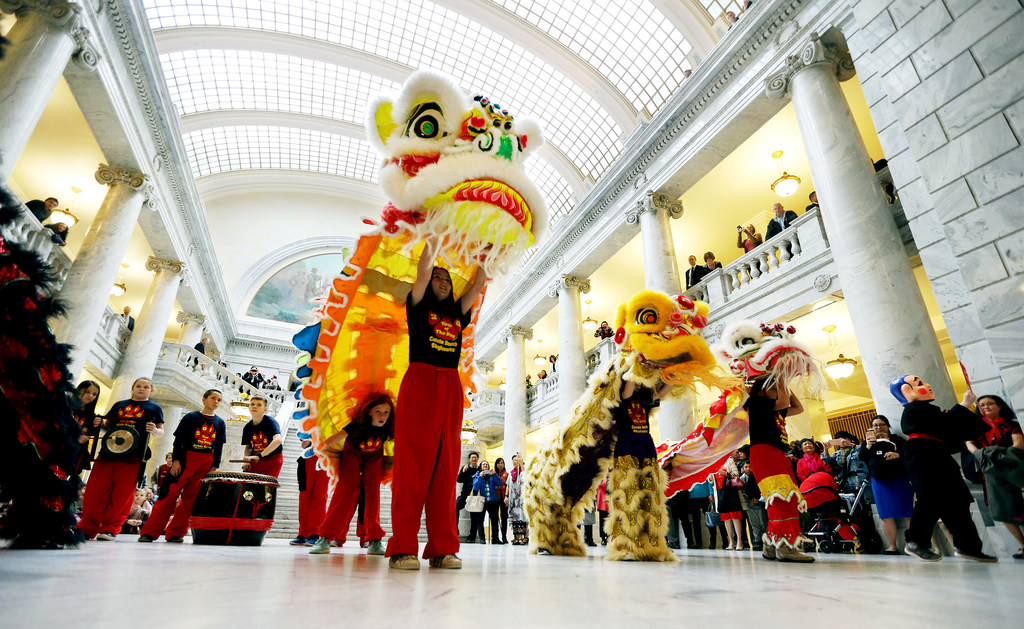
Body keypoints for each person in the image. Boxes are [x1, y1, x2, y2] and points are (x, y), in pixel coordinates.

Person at [386, 237, 488, 571]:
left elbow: (478, 284)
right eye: (437, 279)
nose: (443, 283)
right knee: (412, 466)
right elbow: (423, 269)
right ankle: (403, 547)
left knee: (446, 470)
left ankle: (443, 548)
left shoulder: (458, 311)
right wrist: (433, 236)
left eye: (447, 280)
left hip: (450, 385)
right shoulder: (417, 304)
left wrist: (489, 255)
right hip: (420, 381)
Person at [889, 375, 995, 562]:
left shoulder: (927, 411)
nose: (928, 384)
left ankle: (968, 547)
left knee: (958, 502)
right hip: (922, 457)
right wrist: (963, 405)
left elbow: (948, 433)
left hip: (938, 455)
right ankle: (915, 542)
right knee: (930, 498)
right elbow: (945, 424)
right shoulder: (913, 410)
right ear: (907, 391)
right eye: (919, 383)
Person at [77, 377, 164, 541]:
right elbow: (108, 426)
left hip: (133, 455)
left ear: (151, 390)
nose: (141, 389)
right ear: (133, 388)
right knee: (95, 491)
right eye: (138, 385)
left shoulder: (155, 408)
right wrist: (99, 423)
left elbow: (160, 432)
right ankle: (87, 527)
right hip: (108, 452)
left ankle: (111, 529)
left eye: (145, 387)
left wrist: (154, 430)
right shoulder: (119, 405)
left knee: (122, 495)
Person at [311, 392, 395, 555]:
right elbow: (336, 438)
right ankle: (325, 538)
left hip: (373, 459)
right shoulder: (357, 425)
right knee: (345, 491)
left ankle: (375, 540)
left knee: (373, 493)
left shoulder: (388, 426)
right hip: (352, 457)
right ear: (369, 411)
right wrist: (320, 448)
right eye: (378, 411)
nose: (382, 416)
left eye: (386, 412)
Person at [138, 389, 226, 543]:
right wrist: (177, 460)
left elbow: (218, 447)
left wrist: (215, 466)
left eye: (219, 400)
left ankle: (176, 533)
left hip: (205, 463)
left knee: (190, 500)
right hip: (185, 461)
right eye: (213, 398)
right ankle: (149, 533)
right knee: (167, 497)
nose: (216, 402)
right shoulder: (190, 417)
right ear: (204, 399)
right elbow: (179, 440)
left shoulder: (220, 423)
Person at [966, 394, 1024, 559]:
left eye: (989, 404)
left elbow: (1019, 444)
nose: (985, 408)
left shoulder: (1011, 424)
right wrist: (981, 453)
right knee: (1001, 509)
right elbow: (969, 443)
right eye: (982, 405)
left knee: (1018, 506)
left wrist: (996, 453)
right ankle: (1022, 545)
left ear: (999, 406)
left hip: (1011, 469)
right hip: (990, 473)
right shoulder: (976, 427)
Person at [864, 415, 914, 555]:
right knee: (885, 514)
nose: (878, 427)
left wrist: (898, 455)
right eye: (875, 425)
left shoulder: (897, 440)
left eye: (882, 424)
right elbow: (862, 456)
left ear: (887, 426)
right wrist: (868, 446)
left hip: (900, 479)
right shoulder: (868, 442)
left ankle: (913, 544)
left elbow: (909, 453)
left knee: (908, 511)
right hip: (880, 482)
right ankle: (892, 546)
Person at [293, 438, 329, 546]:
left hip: (325, 461)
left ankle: (315, 534)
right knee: (304, 498)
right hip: (306, 461)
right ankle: (302, 534)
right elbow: (304, 445)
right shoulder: (308, 422)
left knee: (320, 498)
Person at [240, 396, 283, 478]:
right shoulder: (247, 427)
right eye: (252, 404)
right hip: (255, 460)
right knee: (250, 487)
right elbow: (248, 446)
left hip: (272, 459)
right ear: (249, 407)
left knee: (266, 487)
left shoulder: (271, 422)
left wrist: (260, 456)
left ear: (265, 409)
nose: (255, 406)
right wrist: (247, 461)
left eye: (259, 405)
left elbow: (278, 440)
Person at [72, 380, 101, 475]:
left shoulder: (93, 417)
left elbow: (90, 434)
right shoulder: (65, 407)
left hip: (76, 455)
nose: (90, 396)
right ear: (79, 390)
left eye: (94, 394)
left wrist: (98, 425)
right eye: (87, 392)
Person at [472, 460, 503, 544]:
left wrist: (495, 474)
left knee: (494, 520)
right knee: (480, 520)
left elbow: (499, 483)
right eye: (483, 464)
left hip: (493, 501)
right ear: (481, 466)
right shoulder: (477, 475)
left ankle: (495, 539)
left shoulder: (492, 475)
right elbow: (475, 487)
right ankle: (482, 538)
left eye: (486, 464)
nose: (485, 465)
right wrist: (480, 477)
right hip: (482, 502)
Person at [719, 453, 745, 550]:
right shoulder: (713, 463)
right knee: (726, 518)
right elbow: (711, 479)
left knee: (735, 516)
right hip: (720, 492)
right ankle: (731, 541)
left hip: (730, 491)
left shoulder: (729, 460)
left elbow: (736, 474)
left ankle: (739, 541)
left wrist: (723, 472)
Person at [740, 461, 766, 551]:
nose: (748, 469)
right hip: (750, 504)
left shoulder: (757, 476)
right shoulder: (742, 479)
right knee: (754, 524)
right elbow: (746, 491)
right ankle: (757, 542)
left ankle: (764, 541)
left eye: (750, 467)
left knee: (763, 523)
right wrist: (751, 500)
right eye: (746, 467)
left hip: (761, 502)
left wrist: (758, 498)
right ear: (743, 468)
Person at [455, 451, 480, 530]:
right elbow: (459, 480)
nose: (474, 459)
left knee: (474, 515)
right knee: (455, 507)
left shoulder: (479, 469)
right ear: (469, 459)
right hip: (465, 494)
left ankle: (472, 536)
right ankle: (455, 529)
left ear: (478, 459)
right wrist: (463, 472)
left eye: (475, 458)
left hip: (475, 495)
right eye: (472, 457)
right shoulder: (465, 468)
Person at [507, 454, 528, 545]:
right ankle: (516, 537)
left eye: (517, 460)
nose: (515, 462)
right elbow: (508, 485)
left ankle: (523, 537)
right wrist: (506, 496)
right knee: (514, 518)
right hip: (513, 499)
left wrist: (522, 464)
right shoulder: (511, 473)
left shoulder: (524, 471)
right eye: (514, 460)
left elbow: (526, 477)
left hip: (522, 499)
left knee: (522, 517)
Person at [494, 457, 509, 544]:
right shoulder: (493, 473)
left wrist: (507, 497)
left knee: (504, 517)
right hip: (495, 498)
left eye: (502, 463)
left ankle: (504, 537)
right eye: (499, 463)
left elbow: (508, 485)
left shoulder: (506, 474)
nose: (500, 465)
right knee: (495, 518)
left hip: (504, 498)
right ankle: (496, 536)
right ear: (496, 464)